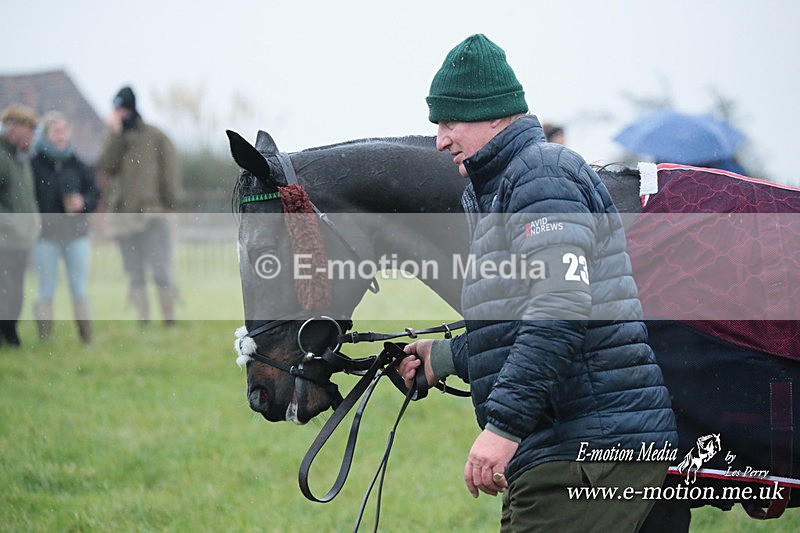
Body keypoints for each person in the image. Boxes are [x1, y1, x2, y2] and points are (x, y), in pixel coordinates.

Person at [399, 34, 677, 532]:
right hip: (571, 451)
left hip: (592, 456)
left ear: (495, 115)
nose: (440, 139)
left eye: (449, 121)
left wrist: (502, 428)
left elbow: (561, 310)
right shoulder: (500, 191)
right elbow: (520, 324)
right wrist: (442, 358)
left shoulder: (541, 175)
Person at [97, 86, 180, 325]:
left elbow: (170, 174)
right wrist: (115, 135)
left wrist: (171, 205)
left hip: (152, 215)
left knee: (161, 272)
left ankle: (169, 321)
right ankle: (143, 321)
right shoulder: (114, 137)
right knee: (134, 274)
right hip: (123, 217)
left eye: (122, 108)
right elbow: (106, 166)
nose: (119, 114)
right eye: (117, 109)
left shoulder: (156, 136)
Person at [30, 111, 100, 343]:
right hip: (45, 237)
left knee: (79, 288)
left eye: (64, 131)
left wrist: (84, 202)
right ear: (46, 134)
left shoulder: (77, 163)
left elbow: (94, 192)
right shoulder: (34, 164)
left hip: (76, 235)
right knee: (46, 289)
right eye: (56, 131)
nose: (61, 136)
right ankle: (44, 340)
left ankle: (86, 338)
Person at [0, 105, 41, 348]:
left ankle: (10, 332)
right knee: (4, 290)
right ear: (15, 130)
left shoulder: (20, 159)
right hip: (4, 241)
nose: (33, 135)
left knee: (16, 290)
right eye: (30, 129)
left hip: (20, 241)